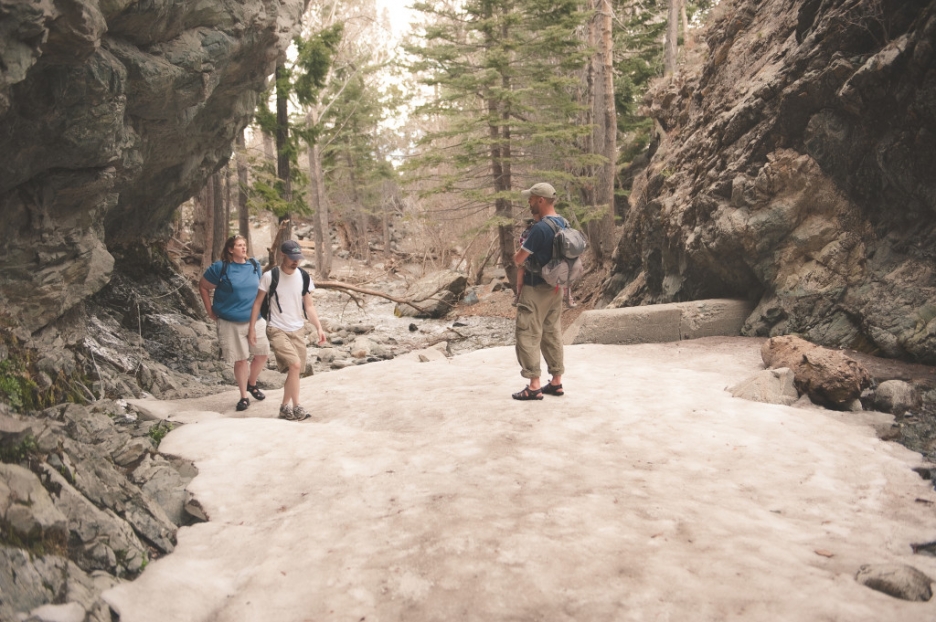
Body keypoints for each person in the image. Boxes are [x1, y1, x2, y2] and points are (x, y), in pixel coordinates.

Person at [248, 240, 327, 421]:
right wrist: (252, 328)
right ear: (282, 255)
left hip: (297, 329)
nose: (295, 261)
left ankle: (285, 407)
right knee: (295, 364)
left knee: (295, 371)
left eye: (298, 258)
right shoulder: (270, 276)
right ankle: (296, 405)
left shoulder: (304, 277)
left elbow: (309, 306)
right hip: (276, 328)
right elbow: (258, 303)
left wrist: (319, 327)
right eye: (292, 257)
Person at [199, 235, 270, 412]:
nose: (243, 248)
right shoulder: (221, 268)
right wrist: (210, 310)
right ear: (231, 249)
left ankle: (252, 384)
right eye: (239, 245)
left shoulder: (254, 265)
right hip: (230, 322)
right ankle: (244, 396)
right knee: (241, 360)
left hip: (255, 320)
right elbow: (203, 286)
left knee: (262, 354)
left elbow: (260, 292)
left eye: (244, 245)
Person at [512, 182, 565, 400]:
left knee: (527, 333)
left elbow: (519, 259)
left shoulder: (540, 228)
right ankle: (556, 381)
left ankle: (533, 385)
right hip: (556, 288)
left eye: (531, 199)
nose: (529, 202)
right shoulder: (563, 222)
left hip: (536, 289)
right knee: (552, 333)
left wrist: (516, 258)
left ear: (541, 201)